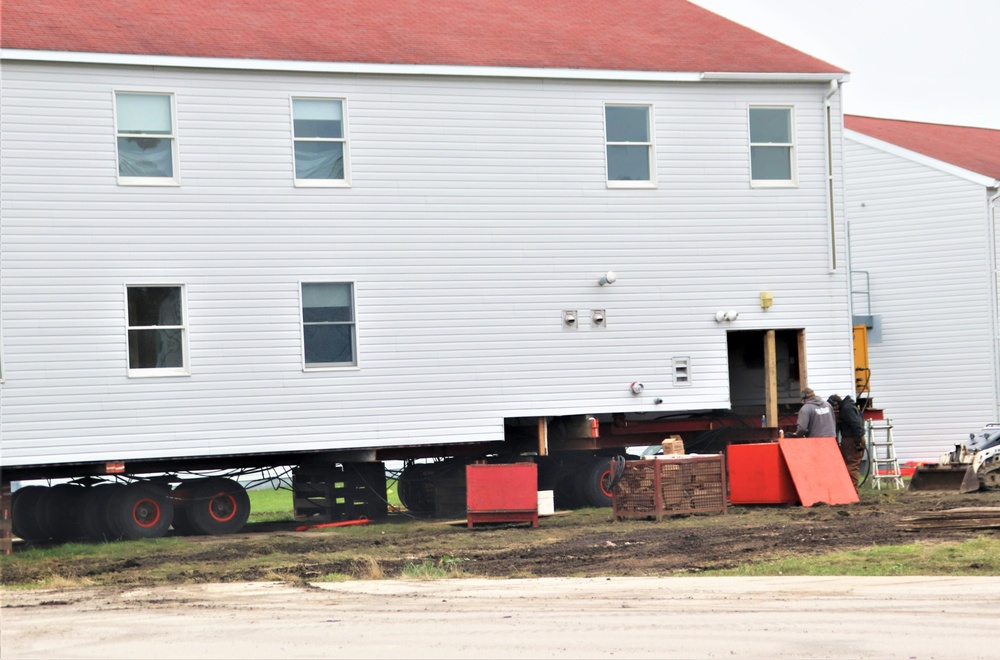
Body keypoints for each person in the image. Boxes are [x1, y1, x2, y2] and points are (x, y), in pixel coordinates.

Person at [828, 394, 865, 490]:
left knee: (851, 465)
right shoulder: (849, 406)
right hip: (853, 438)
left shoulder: (846, 409)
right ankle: (851, 491)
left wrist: (857, 442)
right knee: (852, 464)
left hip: (851, 439)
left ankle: (853, 492)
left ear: (836, 404)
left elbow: (856, 425)